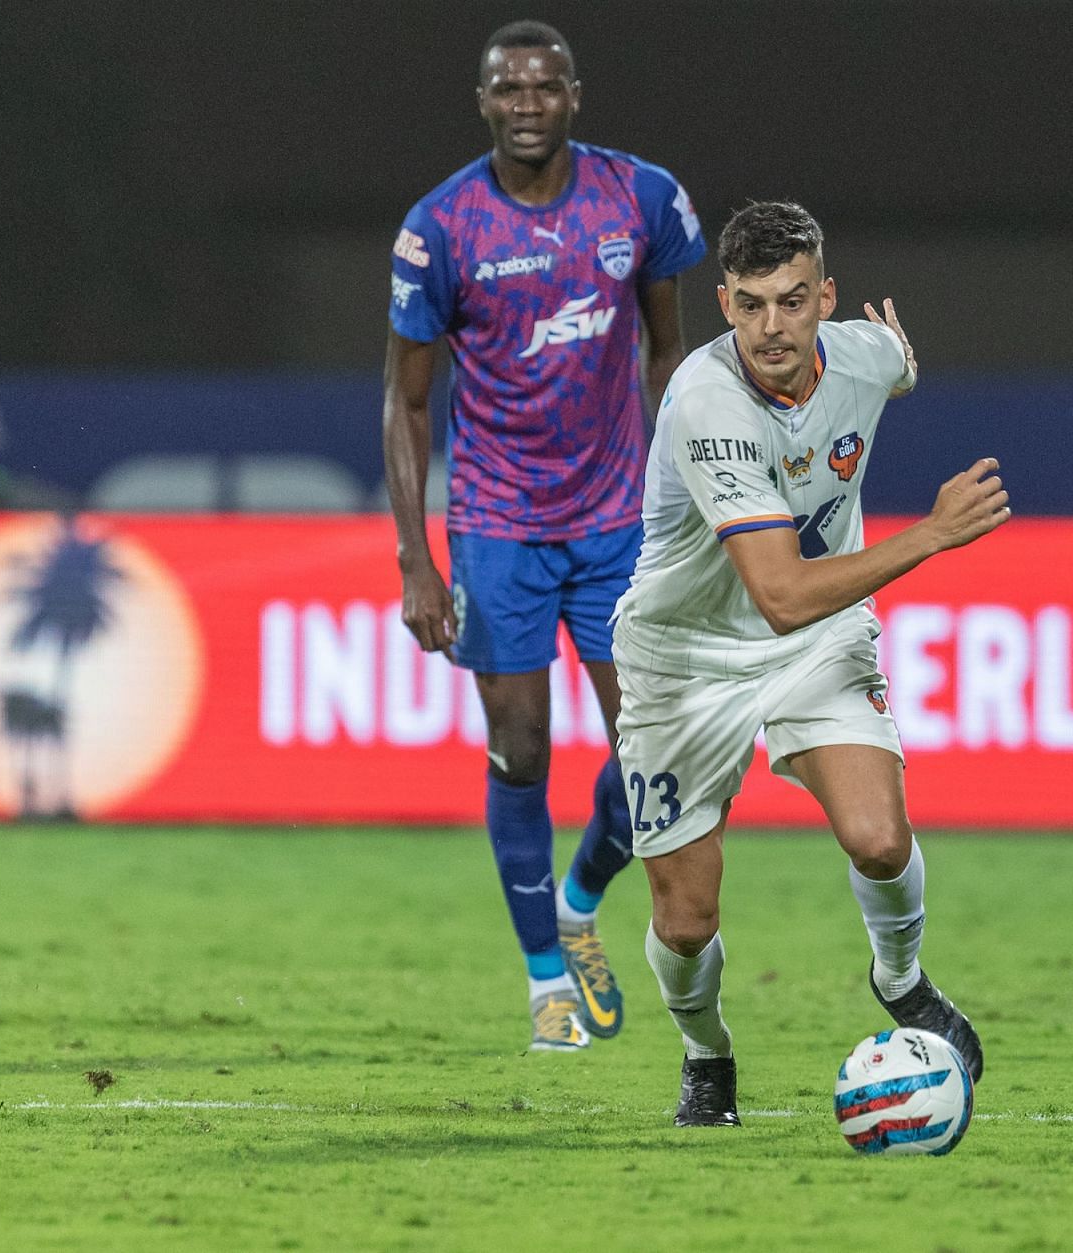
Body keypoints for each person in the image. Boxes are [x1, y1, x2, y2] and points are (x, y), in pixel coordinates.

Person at [611, 201, 1004, 1126]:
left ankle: (901, 979)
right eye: (749, 306)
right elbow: (780, 589)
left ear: (826, 298)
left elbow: (893, 363)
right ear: (724, 305)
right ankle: (708, 1053)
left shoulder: (861, 357)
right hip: (684, 660)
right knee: (685, 920)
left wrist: (898, 352)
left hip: (814, 643)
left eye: (793, 301)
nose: (772, 328)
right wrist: (933, 536)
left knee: (879, 837)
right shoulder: (708, 404)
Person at [383, 19, 707, 1050]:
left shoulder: (640, 199)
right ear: (484, 103)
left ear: (574, 95)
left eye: (543, 87)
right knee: (521, 748)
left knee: (652, 746)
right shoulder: (442, 230)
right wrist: (417, 559)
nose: (526, 104)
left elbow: (671, 357)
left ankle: (579, 899)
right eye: (506, 89)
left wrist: (693, 488)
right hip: (497, 525)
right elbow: (404, 403)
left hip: (617, 523)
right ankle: (543, 982)